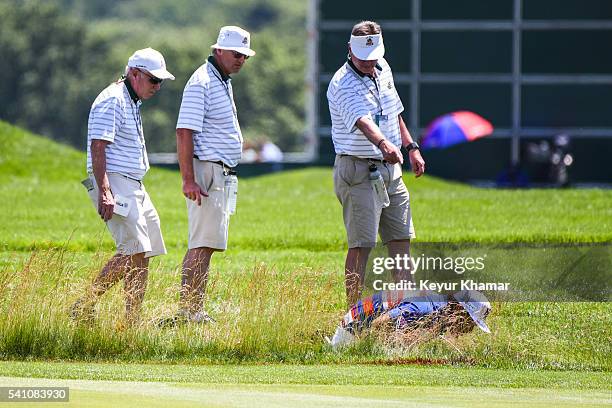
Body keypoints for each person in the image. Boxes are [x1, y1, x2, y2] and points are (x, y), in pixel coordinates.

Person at [72, 48, 175, 326]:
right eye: (153, 80)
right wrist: (105, 191)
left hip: (134, 183)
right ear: (134, 73)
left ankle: (131, 323)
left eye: (160, 81)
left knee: (144, 250)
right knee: (133, 250)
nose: (157, 86)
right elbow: (98, 146)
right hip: (116, 181)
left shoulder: (130, 100)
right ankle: (84, 305)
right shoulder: (112, 99)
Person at [326, 21, 426, 306]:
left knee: (401, 239)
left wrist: (411, 147)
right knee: (361, 244)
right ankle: (353, 314)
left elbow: (394, 112)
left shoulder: (383, 67)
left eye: (374, 57)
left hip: (390, 170)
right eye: (363, 58)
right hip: (358, 170)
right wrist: (384, 145)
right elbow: (363, 121)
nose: (370, 63)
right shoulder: (342, 83)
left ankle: (407, 307)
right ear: (349, 50)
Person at [171, 26, 255, 325]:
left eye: (244, 55)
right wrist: (188, 179)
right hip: (205, 170)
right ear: (219, 50)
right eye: (236, 54)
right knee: (201, 243)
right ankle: (188, 311)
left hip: (217, 171)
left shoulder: (221, 80)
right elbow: (184, 131)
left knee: (206, 244)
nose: (240, 60)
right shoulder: (202, 82)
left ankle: (193, 309)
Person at [328, 290, 491, 349]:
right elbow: (379, 323)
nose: (470, 329)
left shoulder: (442, 312)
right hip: (354, 326)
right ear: (458, 308)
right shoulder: (426, 308)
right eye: (470, 321)